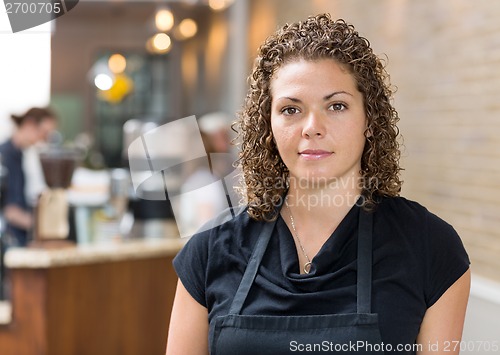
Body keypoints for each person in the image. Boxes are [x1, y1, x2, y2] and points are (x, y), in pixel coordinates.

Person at [166, 14, 470, 355]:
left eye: (336, 105)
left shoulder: (431, 248)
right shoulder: (209, 253)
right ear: (268, 125)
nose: (312, 127)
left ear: (369, 119)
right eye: (291, 109)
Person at [0, 107, 57, 247]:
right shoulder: (6, 156)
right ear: (29, 124)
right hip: (10, 239)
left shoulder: (21, 154)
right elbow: (10, 211)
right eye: (44, 133)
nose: (44, 139)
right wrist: (41, 227)